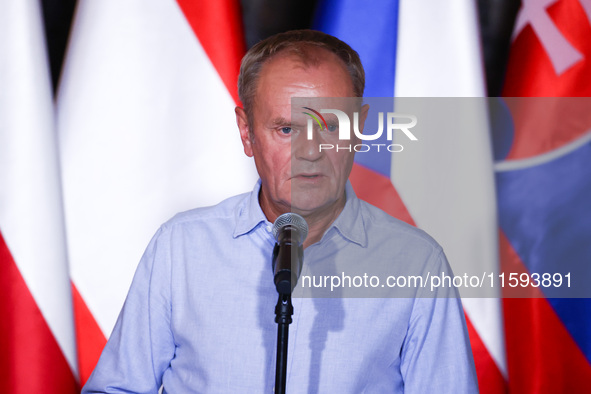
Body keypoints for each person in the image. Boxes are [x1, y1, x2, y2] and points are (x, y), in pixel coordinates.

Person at [82, 30, 478, 393]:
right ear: (246, 132)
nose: (310, 152)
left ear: (359, 130)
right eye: (286, 129)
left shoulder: (416, 263)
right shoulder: (181, 247)